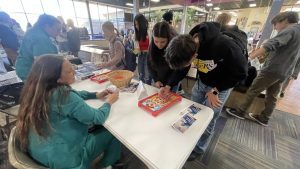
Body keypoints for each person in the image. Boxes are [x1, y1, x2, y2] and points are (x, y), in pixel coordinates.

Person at [16, 55, 121, 169]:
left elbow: (76, 93)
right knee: (115, 133)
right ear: (58, 79)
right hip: (67, 160)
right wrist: (109, 102)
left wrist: (95, 94)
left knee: (97, 128)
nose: (74, 72)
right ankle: (103, 165)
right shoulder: (63, 95)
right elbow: (98, 117)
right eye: (69, 71)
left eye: (73, 68)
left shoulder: (38, 90)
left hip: (40, 152)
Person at [165, 22, 248, 160]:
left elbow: (241, 73)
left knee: (209, 119)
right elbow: (183, 69)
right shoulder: (187, 43)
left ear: (193, 56)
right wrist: (168, 85)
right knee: (193, 113)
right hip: (202, 81)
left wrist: (216, 90)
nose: (187, 66)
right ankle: (191, 140)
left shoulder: (225, 46)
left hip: (221, 85)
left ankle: (199, 148)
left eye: (187, 63)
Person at [226, 12, 300, 127]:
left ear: (284, 20)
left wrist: (250, 57)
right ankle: (264, 118)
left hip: (273, 68)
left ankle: (240, 111)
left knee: (253, 90)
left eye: (275, 25)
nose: (275, 29)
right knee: (272, 95)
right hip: (285, 71)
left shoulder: (290, 30)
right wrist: (294, 73)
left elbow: (272, 43)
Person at [148, 21, 189, 97]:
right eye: (156, 41)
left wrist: (169, 84)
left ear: (169, 38)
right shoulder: (153, 45)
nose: (159, 45)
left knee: (170, 99)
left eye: (163, 42)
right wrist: (156, 79)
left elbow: (180, 69)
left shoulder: (176, 45)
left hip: (173, 78)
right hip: (159, 79)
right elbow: (150, 63)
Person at [15, 14, 61, 81]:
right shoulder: (40, 38)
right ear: (47, 26)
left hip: (24, 68)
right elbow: (44, 64)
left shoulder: (33, 31)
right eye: (57, 30)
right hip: (30, 71)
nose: (59, 33)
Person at [134, 14, 152, 84]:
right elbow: (136, 50)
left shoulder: (149, 32)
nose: (136, 26)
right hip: (141, 56)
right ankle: (141, 90)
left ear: (143, 24)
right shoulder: (136, 35)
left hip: (148, 56)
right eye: (135, 25)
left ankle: (148, 91)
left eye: (138, 24)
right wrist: (135, 51)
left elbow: (152, 46)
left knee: (147, 76)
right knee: (141, 75)